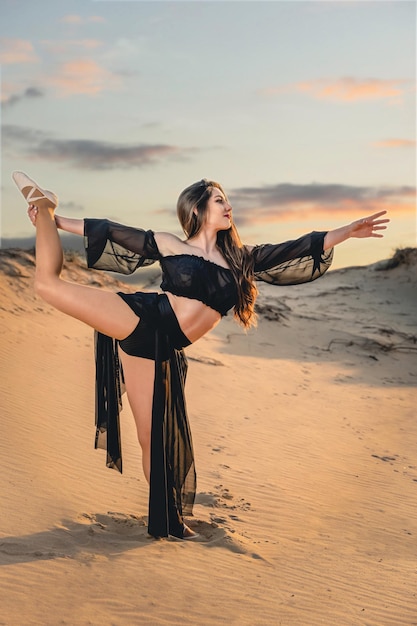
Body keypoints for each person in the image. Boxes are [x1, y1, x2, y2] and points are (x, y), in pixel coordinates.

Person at [12, 171, 389, 540]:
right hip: (142, 317)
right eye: (220, 200)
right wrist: (54, 220)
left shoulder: (242, 259)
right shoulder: (171, 244)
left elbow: (300, 246)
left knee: (151, 437)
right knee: (47, 284)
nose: (229, 206)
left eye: (226, 200)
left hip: (162, 347)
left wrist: (347, 231)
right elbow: (110, 231)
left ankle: (169, 521)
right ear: (197, 209)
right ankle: (43, 206)